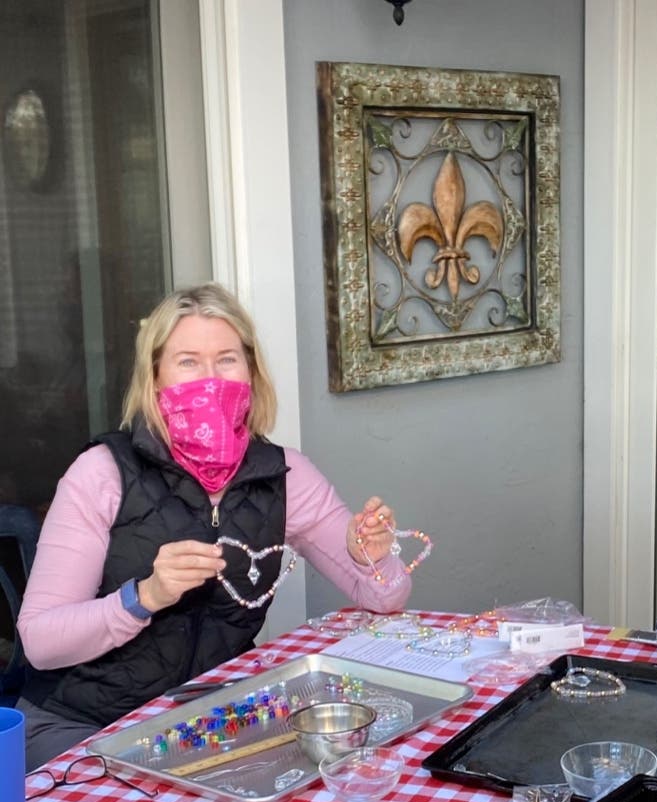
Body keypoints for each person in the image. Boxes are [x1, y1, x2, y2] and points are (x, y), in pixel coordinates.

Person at [17, 283, 411, 767]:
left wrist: (371, 551)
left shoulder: (284, 474)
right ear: (156, 377)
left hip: (209, 721)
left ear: (250, 370)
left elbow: (383, 597)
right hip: (81, 724)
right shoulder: (102, 472)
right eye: (188, 361)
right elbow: (40, 643)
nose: (210, 378)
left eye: (226, 359)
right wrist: (143, 598)